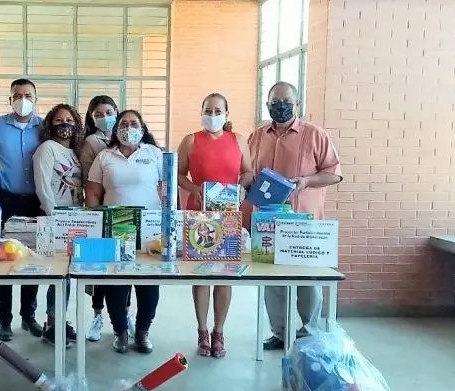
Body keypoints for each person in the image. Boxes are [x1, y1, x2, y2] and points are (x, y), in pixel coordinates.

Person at [248, 81, 342, 350]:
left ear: (297, 104)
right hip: (267, 224)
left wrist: (306, 181)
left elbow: (333, 173)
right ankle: (279, 332)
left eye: (286, 102)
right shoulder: (256, 137)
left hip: (304, 223)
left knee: (308, 281)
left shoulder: (315, 135)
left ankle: (310, 332)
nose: (280, 107)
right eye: (274, 102)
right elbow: (247, 174)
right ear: (267, 105)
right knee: (272, 282)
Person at [177, 93, 254, 358]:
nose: (212, 115)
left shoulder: (239, 141)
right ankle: (202, 331)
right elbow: (177, 173)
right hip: (199, 215)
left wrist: (241, 189)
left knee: (224, 276)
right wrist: (194, 189)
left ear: (227, 114)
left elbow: (248, 172)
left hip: (229, 215)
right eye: (207, 110)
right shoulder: (190, 141)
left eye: (217, 110)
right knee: (201, 275)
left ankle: (219, 332)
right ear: (201, 113)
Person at [85, 110, 162, 354]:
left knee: (148, 283)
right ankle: (120, 332)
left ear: (142, 128)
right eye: (124, 123)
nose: (129, 128)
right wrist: (97, 223)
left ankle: (143, 331)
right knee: (116, 283)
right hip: (115, 227)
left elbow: (166, 189)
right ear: (117, 128)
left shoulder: (154, 154)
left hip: (149, 230)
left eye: (134, 123)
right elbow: (94, 193)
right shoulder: (104, 156)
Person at [0, 79, 45, 342]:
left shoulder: (45, 127)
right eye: (17, 95)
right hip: (6, 200)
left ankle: (28, 316)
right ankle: (4, 319)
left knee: (31, 260)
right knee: (5, 259)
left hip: (36, 202)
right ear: (10, 100)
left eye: (28, 95)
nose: (23, 99)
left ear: (35, 98)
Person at [78, 95, 133, 343]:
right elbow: (90, 183)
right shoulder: (91, 142)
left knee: (127, 268)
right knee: (102, 270)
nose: (104, 117)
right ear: (91, 118)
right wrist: (96, 216)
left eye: (109, 112)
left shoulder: (130, 136)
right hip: (101, 213)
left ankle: (124, 315)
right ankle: (98, 315)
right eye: (98, 114)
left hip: (127, 217)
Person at [33, 103, 84, 347]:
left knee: (68, 275)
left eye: (70, 120)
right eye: (59, 120)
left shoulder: (74, 152)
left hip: (74, 218)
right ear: (50, 124)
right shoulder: (46, 149)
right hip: (54, 219)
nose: (65, 125)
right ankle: (52, 324)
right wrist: (55, 218)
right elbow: (43, 187)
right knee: (57, 274)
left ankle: (60, 320)